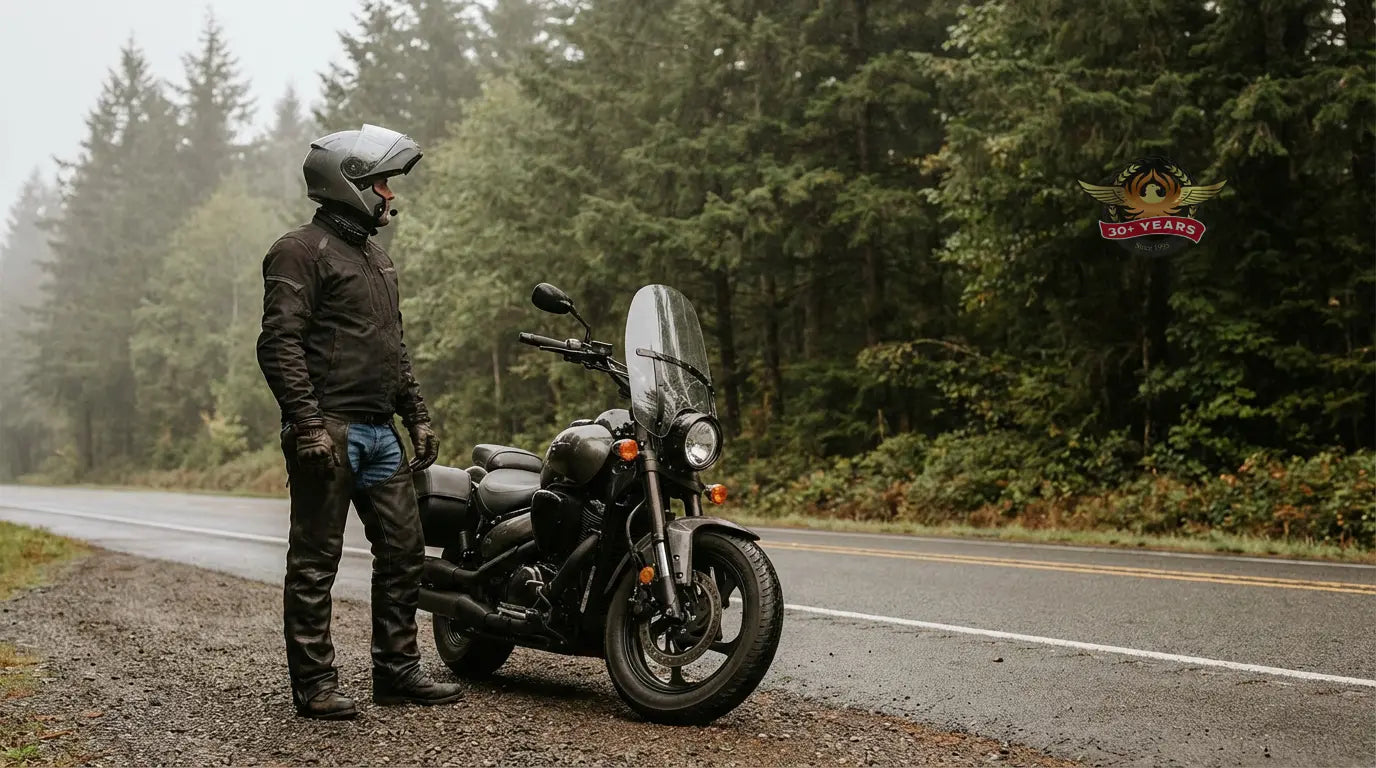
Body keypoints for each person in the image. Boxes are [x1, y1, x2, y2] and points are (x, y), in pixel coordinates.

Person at [256, 124, 461, 720]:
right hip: (329, 430)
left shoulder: (377, 258)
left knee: (405, 550)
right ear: (346, 182)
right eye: (379, 183)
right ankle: (315, 686)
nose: (389, 196)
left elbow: (392, 348)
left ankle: (396, 673)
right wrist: (308, 424)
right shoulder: (298, 250)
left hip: (380, 432)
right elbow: (279, 345)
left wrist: (416, 416)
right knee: (315, 562)